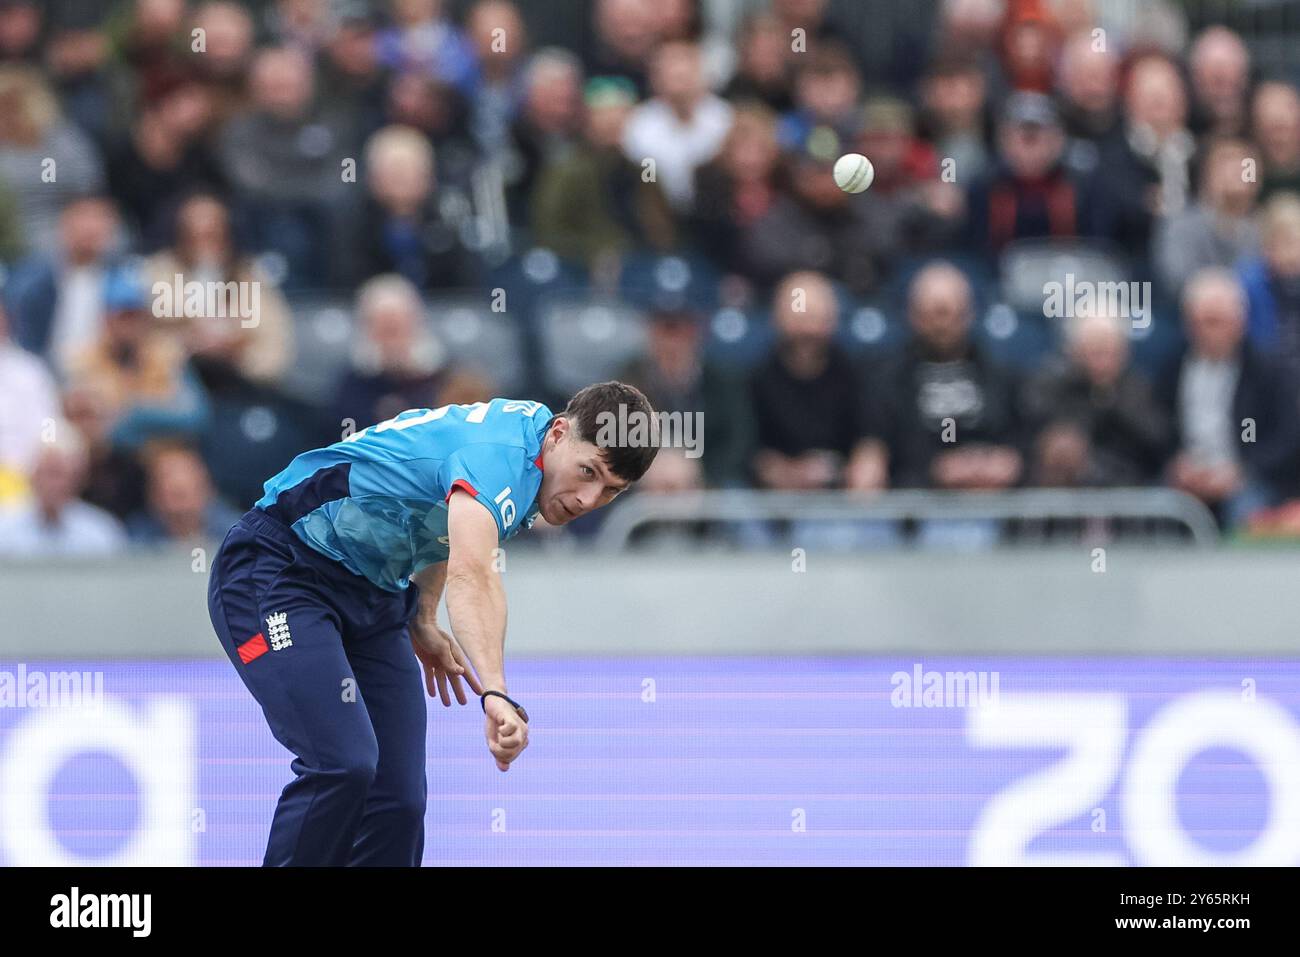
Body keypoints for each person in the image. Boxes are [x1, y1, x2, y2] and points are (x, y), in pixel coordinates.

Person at [206, 382, 660, 866]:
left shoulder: (537, 452)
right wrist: (496, 692)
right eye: (588, 472)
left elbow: (446, 515)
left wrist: (423, 613)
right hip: (275, 571)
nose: (588, 499)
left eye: (612, 490)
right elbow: (475, 570)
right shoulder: (500, 456)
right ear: (559, 432)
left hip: (375, 597)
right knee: (342, 763)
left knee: (398, 801)